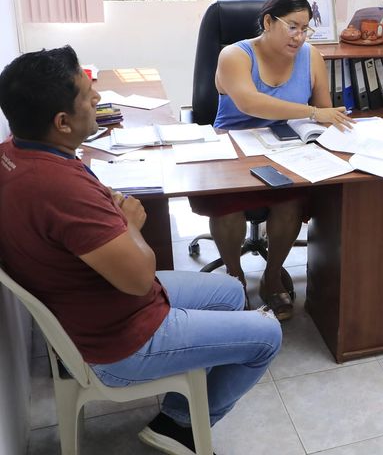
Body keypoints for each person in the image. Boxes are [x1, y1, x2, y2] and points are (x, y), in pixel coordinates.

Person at [0, 46, 283, 455]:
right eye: (88, 96)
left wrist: (107, 212)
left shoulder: (14, 153)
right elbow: (138, 279)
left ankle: (187, 389)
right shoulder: (60, 189)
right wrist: (129, 224)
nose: (98, 98)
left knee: (231, 291)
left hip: (95, 304)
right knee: (268, 334)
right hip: (120, 343)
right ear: (62, 122)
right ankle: (180, 425)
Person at [189, 0, 353, 321]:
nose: (300, 37)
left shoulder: (311, 57)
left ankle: (272, 275)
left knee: (291, 202)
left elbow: (325, 111)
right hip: (233, 148)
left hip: (286, 148)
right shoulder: (235, 55)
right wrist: (311, 112)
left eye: (305, 29)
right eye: (292, 27)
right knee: (228, 206)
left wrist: (344, 132)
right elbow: (251, 103)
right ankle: (234, 278)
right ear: (268, 22)